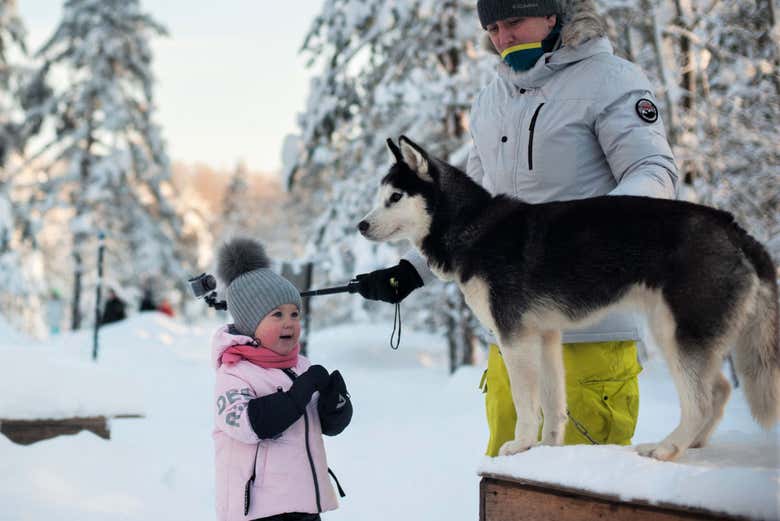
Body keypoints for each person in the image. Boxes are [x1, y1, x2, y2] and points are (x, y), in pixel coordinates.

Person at [356, 0, 677, 455]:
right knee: (509, 492)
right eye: (492, 27)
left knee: (581, 498)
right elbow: (462, 214)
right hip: (511, 341)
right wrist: (414, 269)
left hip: (589, 334)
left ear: (551, 15)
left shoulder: (611, 80)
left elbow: (654, 170)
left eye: (514, 22)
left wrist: (594, 231)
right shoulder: (491, 100)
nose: (503, 38)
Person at [212, 237, 352, 521]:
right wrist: (298, 393)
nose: (289, 322)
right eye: (277, 314)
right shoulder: (234, 373)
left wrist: (335, 402)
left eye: (295, 313)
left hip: (304, 504)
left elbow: (327, 426)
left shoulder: (300, 367)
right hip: (259, 511)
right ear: (251, 324)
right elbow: (251, 424)